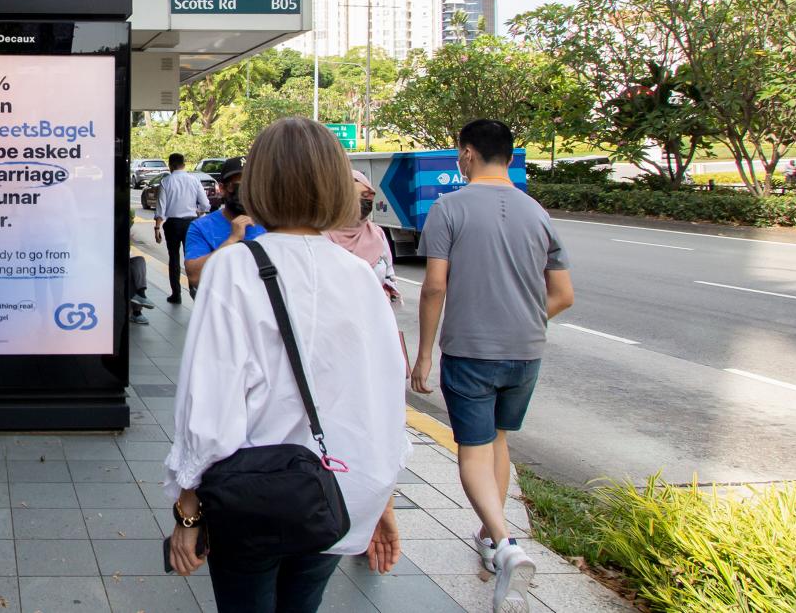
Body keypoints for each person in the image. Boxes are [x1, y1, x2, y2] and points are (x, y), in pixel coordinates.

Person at [164, 117, 410, 612]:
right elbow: (383, 398)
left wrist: (188, 509)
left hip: (251, 495)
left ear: (259, 182)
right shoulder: (359, 275)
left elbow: (210, 403)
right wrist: (383, 498)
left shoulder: (235, 267)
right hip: (337, 495)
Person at [410, 119, 574, 613]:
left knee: (474, 450)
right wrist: (523, 319)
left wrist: (423, 355)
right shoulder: (537, 212)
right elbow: (563, 295)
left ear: (466, 154)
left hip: (471, 352)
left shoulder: (449, 207)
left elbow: (435, 285)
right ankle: (489, 533)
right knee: (500, 440)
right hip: (526, 350)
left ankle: (505, 544)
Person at [325, 170, 407, 374]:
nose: (366, 203)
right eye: (359, 197)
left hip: (376, 330)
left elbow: (389, 277)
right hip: (337, 337)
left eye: (368, 197)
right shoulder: (322, 237)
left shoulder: (377, 234)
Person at [184, 156, 266, 289]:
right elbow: (195, 277)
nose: (246, 191)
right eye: (239, 185)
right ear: (222, 188)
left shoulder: (271, 224)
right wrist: (232, 240)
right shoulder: (201, 228)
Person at [154, 153, 209, 304]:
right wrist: (198, 211)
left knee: (174, 259)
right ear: (184, 164)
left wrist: (157, 228)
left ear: (170, 165)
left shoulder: (166, 182)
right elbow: (205, 205)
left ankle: (176, 294)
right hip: (191, 224)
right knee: (191, 258)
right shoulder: (194, 180)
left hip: (172, 225)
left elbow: (161, 208)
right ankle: (194, 292)